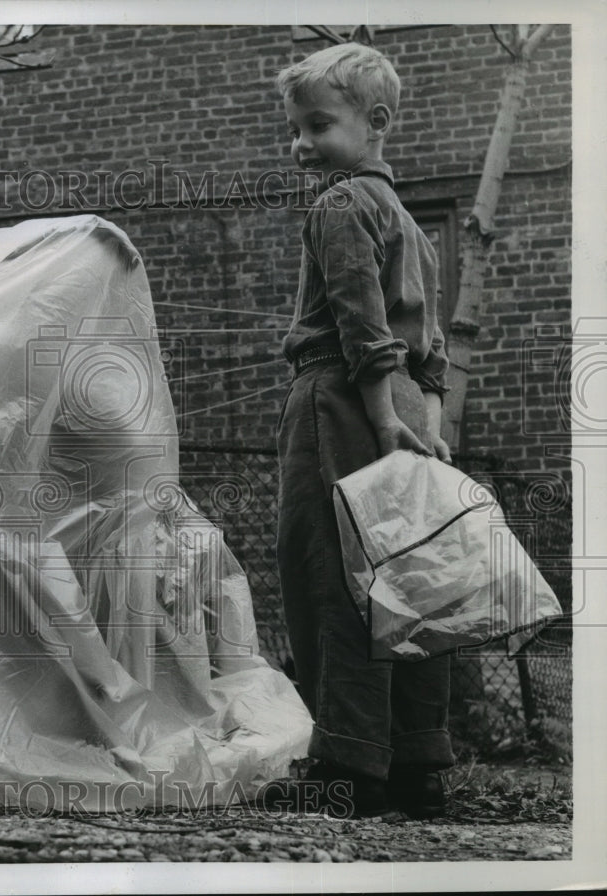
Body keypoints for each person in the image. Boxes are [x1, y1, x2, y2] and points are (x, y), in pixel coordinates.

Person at [271, 42, 455, 818]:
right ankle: (416, 763)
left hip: (345, 400)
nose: (301, 143)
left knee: (331, 574)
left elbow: (361, 324)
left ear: (375, 123)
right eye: (297, 128)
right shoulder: (414, 228)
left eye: (319, 125)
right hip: (412, 406)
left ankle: (345, 766)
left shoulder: (341, 206)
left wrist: (381, 417)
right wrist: (424, 426)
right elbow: (432, 353)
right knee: (409, 585)